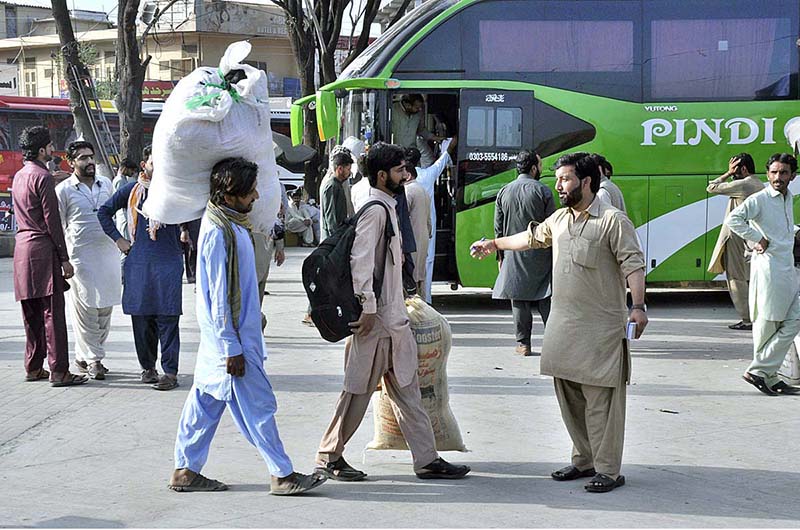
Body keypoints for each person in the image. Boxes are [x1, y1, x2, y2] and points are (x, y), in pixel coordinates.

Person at [470, 152, 647, 493]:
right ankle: (584, 459)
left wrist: (637, 306)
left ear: (587, 181)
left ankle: (608, 470)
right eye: (558, 179)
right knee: (569, 397)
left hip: (600, 328)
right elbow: (530, 237)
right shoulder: (560, 219)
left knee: (602, 402)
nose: (559, 185)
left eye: (565, 179)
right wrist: (494, 244)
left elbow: (633, 265)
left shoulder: (612, 220)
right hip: (564, 326)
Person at [169, 157, 326, 495]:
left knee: (204, 404)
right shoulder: (218, 232)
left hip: (229, 339)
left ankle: (185, 469)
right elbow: (220, 297)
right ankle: (282, 474)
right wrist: (232, 347)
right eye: (249, 192)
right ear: (228, 194)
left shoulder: (232, 224)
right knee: (258, 408)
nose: (255, 197)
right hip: (232, 342)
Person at [315, 142, 470, 482]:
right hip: (376, 321)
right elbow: (361, 260)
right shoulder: (375, 210)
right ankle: (329, 456)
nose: (406, 175)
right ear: (383, 175)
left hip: (394, 320)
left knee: (408, 390)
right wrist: (368, 306)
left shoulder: (387, 205)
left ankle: (426, 459)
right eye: (400, 170)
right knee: (356, 392)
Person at [97, 145, 184, 391]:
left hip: (168, 261)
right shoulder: (132, 190)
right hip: (139, 262)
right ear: (144, 165)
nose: (158, 168)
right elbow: (104, 212)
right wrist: (119, 239)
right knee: (142, 318)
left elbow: (194, 217)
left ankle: (170, 372)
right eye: (153, 163)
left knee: (168, 316)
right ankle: (148, 368)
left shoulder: (176, 191)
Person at [12, 126, 87, 386]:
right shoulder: (43, 177)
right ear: (43, 149)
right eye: (49, 146)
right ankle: (59, 371)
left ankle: (33, 367)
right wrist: (64, 257)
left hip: (22, 249)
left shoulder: (19, 176)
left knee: (30, 313)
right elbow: (52, 222)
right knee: (52, 314)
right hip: (43, 249)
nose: (51, 149)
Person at [727, 153, 800, 396]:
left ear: (792, 175)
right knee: (767, 323)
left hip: (787, 267)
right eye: (774, 172)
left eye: (784, 173)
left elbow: (781, 227)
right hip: (769, 269)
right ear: (767, 174)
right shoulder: (760, 199)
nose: (778, 177)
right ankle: (763, 373)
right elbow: (734, 220)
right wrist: (757, 239)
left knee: (788, 321)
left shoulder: (787, 198)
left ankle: (766, 373)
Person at [55, 141, 120, 380]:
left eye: (90, 157)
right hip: (80, 259)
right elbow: (59, 227)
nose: (89, 161)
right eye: (82, 158)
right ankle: (95, 360)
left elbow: (116, 216)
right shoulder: (63, 190)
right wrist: (63, 260)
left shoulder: (107, 185)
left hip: (108, 255)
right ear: (71, 163)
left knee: (104, 309)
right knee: (86, 311)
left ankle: (84, 357)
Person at [493, 150, 555, 356]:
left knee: (519, 299)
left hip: (513, 253)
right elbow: (553, 227)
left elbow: (498, 228)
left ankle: (523, 344)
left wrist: (500, 257)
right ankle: (555, 342)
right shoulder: (544, 191)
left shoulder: (504, 191)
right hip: (542, 254)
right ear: (534, 168)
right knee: (546, 298)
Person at [707, 154, 764, 331]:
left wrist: (726, 173)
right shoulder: (758, 183)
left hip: (737, 238)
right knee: (746, 278)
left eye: (735, 169)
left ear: (743, 169)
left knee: (736, 278)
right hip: (747, 238)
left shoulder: (745, 184)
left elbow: (711, 187)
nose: (733, 174)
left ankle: (747, 318)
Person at [405, 138, 457, 302]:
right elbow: (442, 162)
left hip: (409, 229)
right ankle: (425, 298)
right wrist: (450, 146)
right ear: (419, 161)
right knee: (426, 262)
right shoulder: (427, 175)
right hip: (427, 227)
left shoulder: (402, 180)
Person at [403, 154, 433, 300]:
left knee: (410, 280)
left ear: (408, 175)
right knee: (420, 277)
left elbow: (402, 218)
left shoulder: (408, 191)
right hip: (423, 241)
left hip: (412, 242)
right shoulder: (424, 191)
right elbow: (429, 222)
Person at [319, 150, 354, 240]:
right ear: (340, 169)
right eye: (348, 169)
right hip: (332, 238)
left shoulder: (339, 184)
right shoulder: (332, 186)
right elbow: (331, 216)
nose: (349, 173)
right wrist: (335, 238)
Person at [112, 158, 141, 241]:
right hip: (124, 215)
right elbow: (122, 200)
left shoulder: (124, 179)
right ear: (125, 168)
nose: (132, 173)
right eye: (131, 170)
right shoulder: (120, 181)